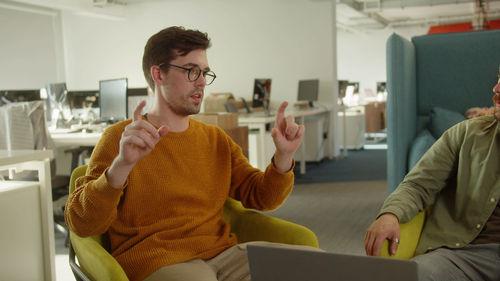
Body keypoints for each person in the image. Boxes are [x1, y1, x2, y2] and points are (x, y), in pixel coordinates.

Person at [65, 26, 307, 281]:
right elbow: (82, 223)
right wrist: (121, 167)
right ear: (159, 74)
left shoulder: (215, 140)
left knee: (311, 266)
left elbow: (262, 197)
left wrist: (283, 157)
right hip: (155, 260)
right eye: (191, 70)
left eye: (204, 72)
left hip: (223, 254)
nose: (202, 81)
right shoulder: (120, 138)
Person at [364, 69, 500, 281]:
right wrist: (390, 214)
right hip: (462, 254)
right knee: (412, 276)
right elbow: (417, 185)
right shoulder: (466, 134)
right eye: (499, 79)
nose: (496, 88)